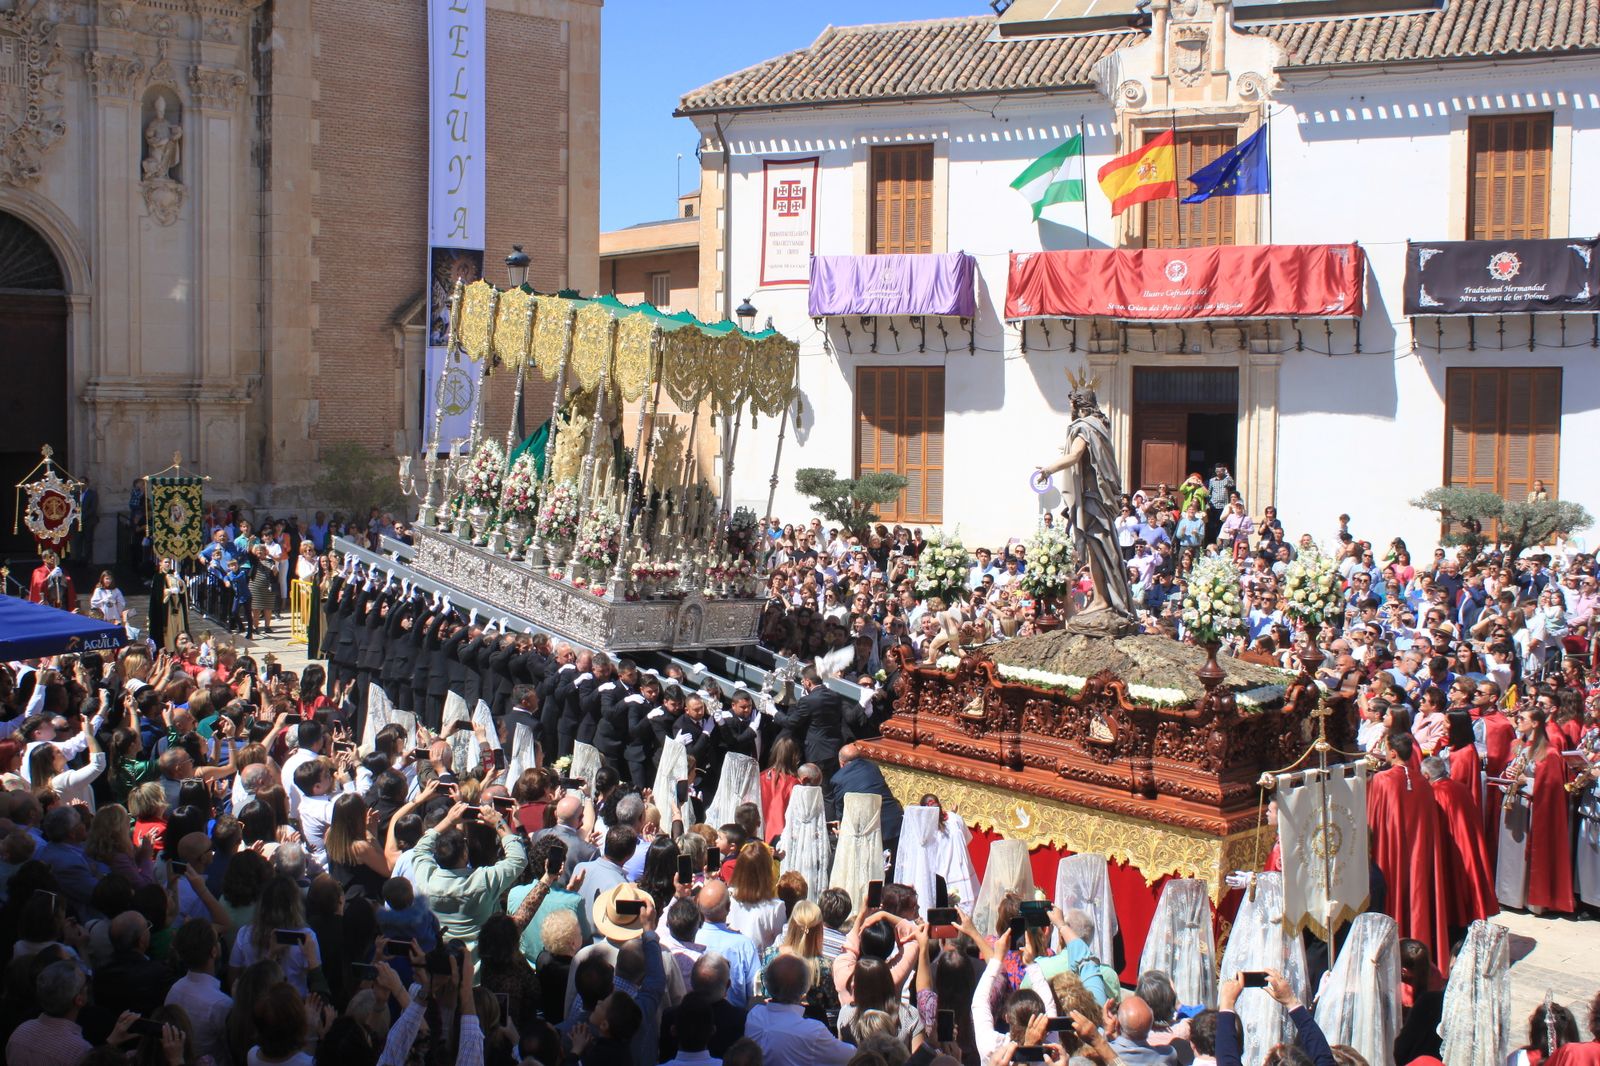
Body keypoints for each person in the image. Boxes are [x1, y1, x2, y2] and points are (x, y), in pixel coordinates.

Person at [408, 799, 528, 952]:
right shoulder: (482, 880)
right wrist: (499, 822)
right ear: (465, 854)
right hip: (479, 962)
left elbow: (420, 849)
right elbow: (518, 859)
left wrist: (448, 820)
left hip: (441, 957)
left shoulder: (427, 881)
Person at [747, 953, 855, 1066]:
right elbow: (850, 1056)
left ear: (768, 984)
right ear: (804, 988)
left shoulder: (754, 1016)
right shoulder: (813, 1031)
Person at [829, 744, 903, 854]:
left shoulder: (838, 779)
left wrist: (842, 829)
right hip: (893, 823)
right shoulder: (873, 767)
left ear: (842, 763)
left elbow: (842, 810)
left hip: (868, 831)